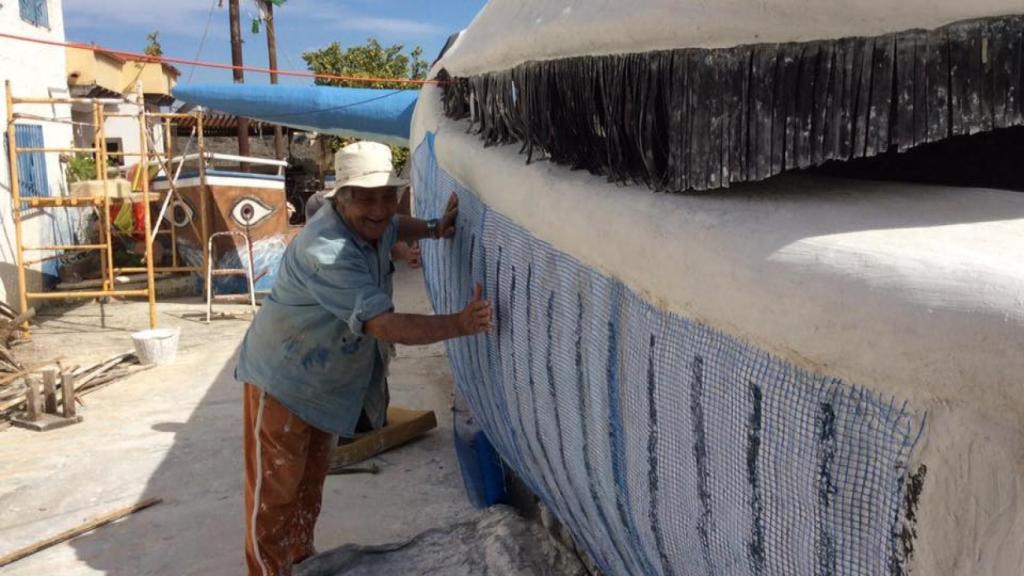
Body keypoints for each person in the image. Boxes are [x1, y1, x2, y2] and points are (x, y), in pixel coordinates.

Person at [235, 141, 491, 576]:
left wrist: (434, 227)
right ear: (341, 199)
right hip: (282, 381)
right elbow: (385, 325)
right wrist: (459, 323)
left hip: (324, 385)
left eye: (386, 196)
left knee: (308, 487)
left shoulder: (375, 222)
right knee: (274, 497)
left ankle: (300, 563)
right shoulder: (327, 250)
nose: (379, 209)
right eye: (367, 198)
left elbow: (394, 226)